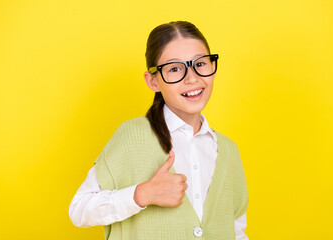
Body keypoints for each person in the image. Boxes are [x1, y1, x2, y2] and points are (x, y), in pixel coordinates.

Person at [69, 21, 249, 240]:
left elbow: (236, 231)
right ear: (153, 81)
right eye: (175, 69)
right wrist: (142, 194)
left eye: (200, 64)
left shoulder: (229, 151)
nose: (192, 78)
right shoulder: (132, 136)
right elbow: (79, 210)